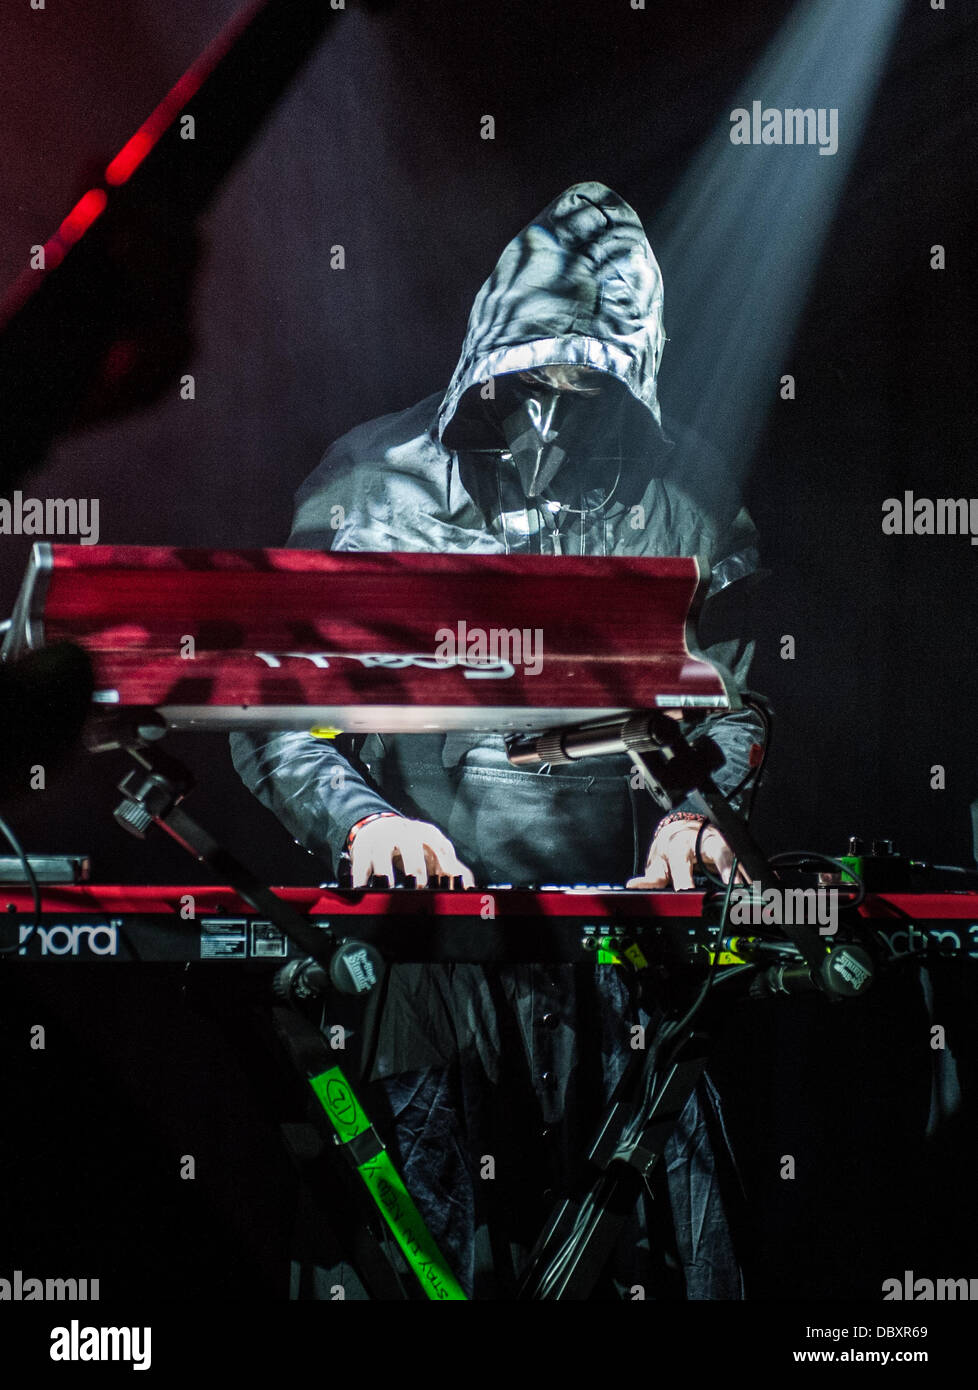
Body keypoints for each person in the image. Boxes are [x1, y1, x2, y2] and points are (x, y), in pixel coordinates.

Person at [231, 181, 766, 1299]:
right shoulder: (372, 487)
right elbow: (280, 715)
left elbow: (734, 703)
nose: (549, 425)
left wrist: (694, 815)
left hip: (625, 966)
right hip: (427, 961)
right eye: (530, 383)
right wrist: (364, 816)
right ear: (486, 353)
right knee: (419, 1261)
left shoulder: (684, 498)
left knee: (661, 1262)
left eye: (586, 389)